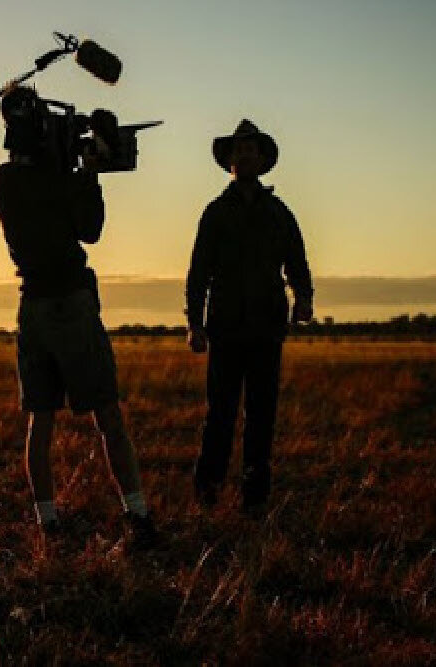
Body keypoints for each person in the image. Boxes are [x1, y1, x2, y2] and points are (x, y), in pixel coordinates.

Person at [0, 85, 159, 548]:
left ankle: (47, 521)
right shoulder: (56, 176)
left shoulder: (4, 180)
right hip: (69, 301)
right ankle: (137, 514)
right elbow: (91, 229)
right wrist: (89, 168)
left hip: (32, 308)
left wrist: (71, 154)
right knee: (107, 412)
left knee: (40, 419)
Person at [185, 119, 314, 512]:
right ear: (229, 161)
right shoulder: (215, 213)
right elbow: (198, 272)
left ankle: (254, 499)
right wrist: (195, 324)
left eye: (250, 150)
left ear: (261, 160)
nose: (244, 156)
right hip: (224, 328)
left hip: (266, 328)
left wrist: (304, 301)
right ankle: (207, 494)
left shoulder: (279, 212)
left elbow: (297, 261)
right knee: (219, 415)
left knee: (262, 416)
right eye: (237, 151)